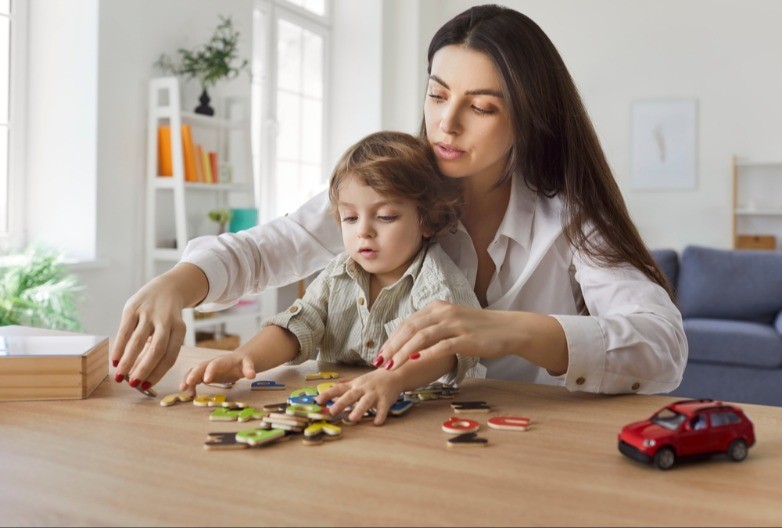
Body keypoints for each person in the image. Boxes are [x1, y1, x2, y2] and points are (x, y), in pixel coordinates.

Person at [112, 4, 686, 406]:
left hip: (516, 444)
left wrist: (506, 331)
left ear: (528, 116)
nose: (446, 123)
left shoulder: (572, 215)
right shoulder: (395, 184)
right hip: (381, 425)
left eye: (480, 107)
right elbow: (276, 245)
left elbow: (661, 348)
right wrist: (179, 283)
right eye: (437, 94)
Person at [177, 131, 480, 424]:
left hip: (425, 420)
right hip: (343, 412)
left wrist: (394, 378)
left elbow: (449, 349)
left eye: (385, 216)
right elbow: (298, 326)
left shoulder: (439, 283)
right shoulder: (338, 273)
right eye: (350, 217)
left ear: (427, 220)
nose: (363, 230)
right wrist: (244, 358)